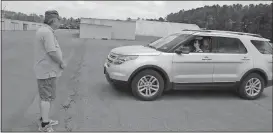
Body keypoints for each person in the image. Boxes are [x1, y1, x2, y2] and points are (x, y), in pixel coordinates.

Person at [34, 10, 66, 132]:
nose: (60, 22)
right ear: (53, 20)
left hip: (48, 70)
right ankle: (45, 125)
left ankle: (44, 118)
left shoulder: (45, 31)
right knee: (46, 98)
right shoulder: (46, 32)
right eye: (58, 20)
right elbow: (52, 52)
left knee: (47, 97)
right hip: (46, 71)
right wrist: (61, 62)